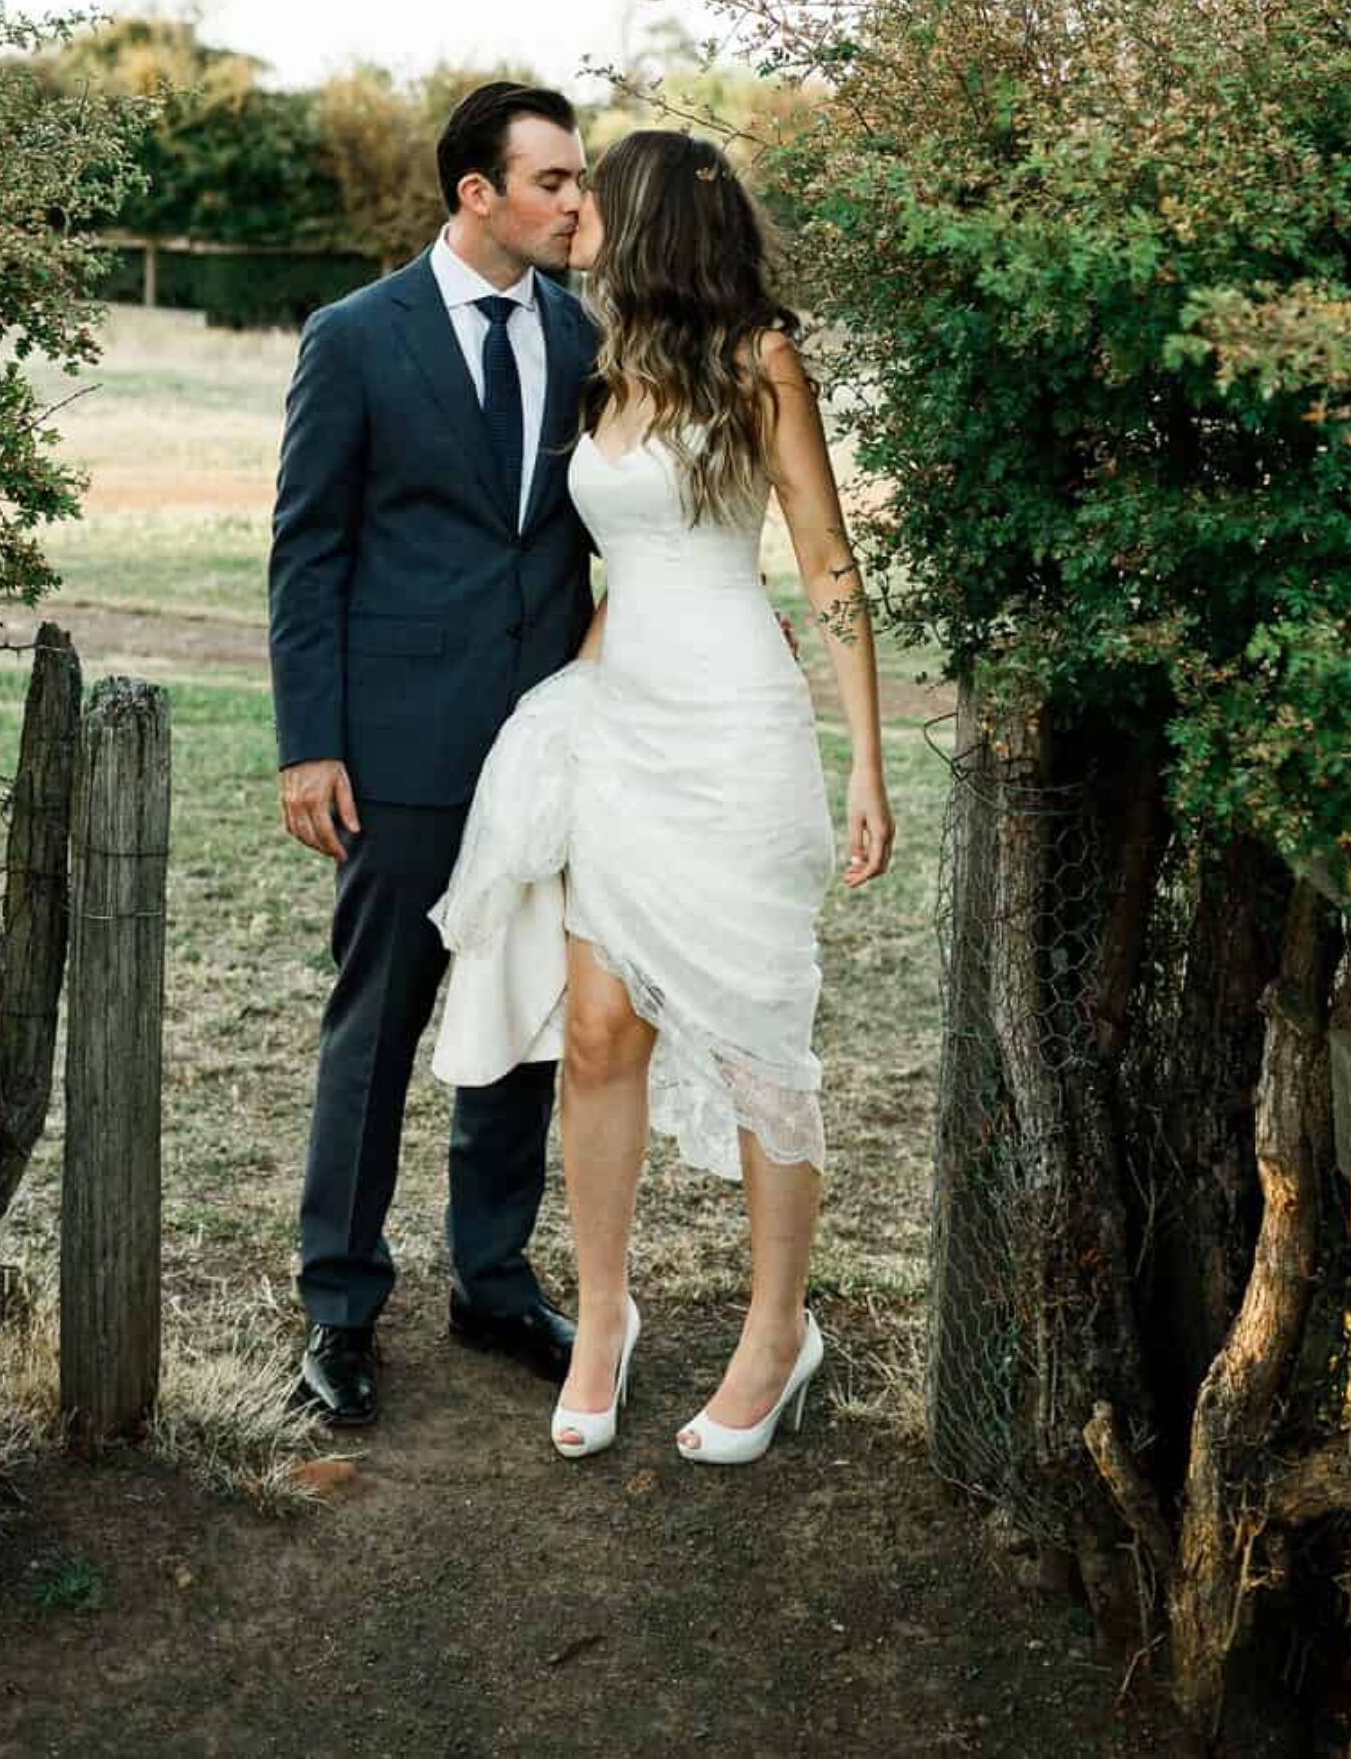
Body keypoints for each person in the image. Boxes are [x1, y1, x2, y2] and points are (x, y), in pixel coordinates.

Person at [431, 128, 894, 1464]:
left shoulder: (759, 361)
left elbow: (825, 562)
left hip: (735, 729)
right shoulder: (605, 365)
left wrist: (864, 759)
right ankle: (603, 1313)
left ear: (644, 223)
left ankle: (775, 1332)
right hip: (622, 721)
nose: (571, 211)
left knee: (757, 1041)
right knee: (596, 1033)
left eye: (592, 195)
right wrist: (563, 706)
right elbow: (622, 569)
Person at [268, 81, 597, 1427]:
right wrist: (309, 748)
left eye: (580, 181)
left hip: (547, 746)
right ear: (479, 195)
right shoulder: (356, 337)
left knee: (522, 1019)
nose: (578, 202)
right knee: (380, 1026)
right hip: (398, 747)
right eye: (555, 182)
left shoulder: (583, 336)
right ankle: (341, 1305)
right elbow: (309, 549)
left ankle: (493, 1277)